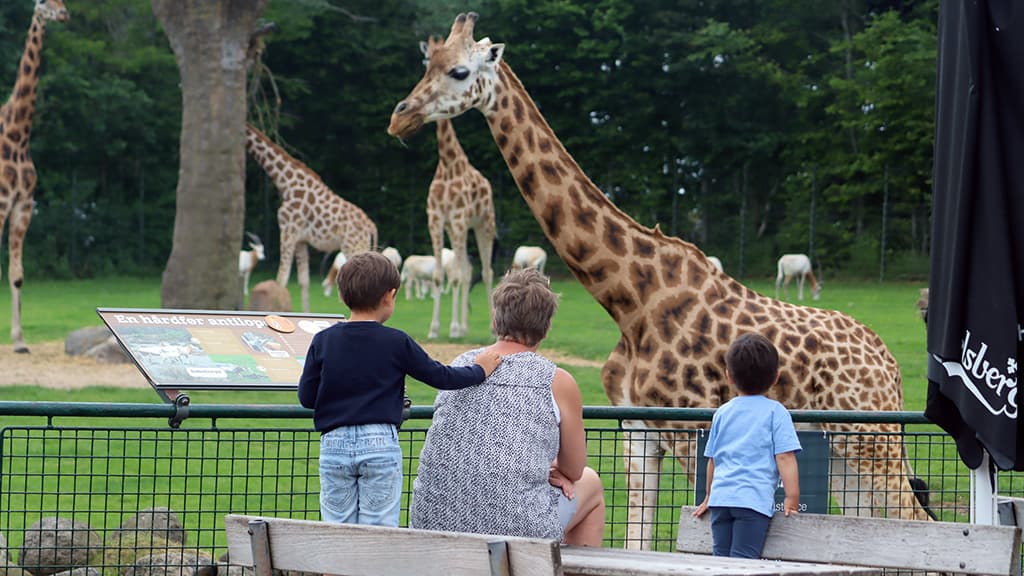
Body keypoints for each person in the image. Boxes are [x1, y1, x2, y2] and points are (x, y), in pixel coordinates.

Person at [298, 251, 502, 527]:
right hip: (380, 444)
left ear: (342, 296)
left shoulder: (323, 340)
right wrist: (480, 369)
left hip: (334, 444)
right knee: (379, 534)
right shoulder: (396, 341)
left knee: (337, 533)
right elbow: (441, 376)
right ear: (388, 296)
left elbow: (307, 397)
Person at [411, 267, 605, 545]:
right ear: (547, 326)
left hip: (432, 523)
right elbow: (573, 470)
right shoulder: (557, 381)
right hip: (516, 530)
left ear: (494, 317)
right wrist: (549, 468)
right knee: (591, 483)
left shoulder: (460, 365)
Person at [692, 332, 801, 558]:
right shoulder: (776, 413)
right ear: (776, 377)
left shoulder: (722, 413)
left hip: (720, 501)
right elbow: (785, 457)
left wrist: (709, 495)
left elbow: (713, 459)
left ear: (729, 376)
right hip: (752, 501)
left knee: (721, 562)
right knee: (744, 562)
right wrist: (792, 497)